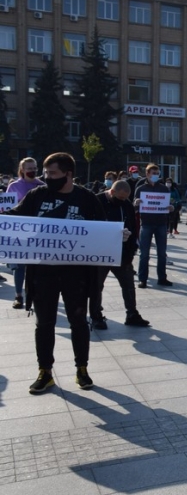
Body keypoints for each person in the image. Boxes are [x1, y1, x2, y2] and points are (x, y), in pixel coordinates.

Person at [5, 153, 108, 394]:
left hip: (76, 276)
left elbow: (102, 229)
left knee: (79, 323)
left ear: (68, 174)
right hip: (42, 274)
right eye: (45, 173)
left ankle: (82, 369)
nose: (45, 177)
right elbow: (16, 217)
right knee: (44, 324)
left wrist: (117, 237)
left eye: (52, 173)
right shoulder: (37, 195)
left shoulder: (86, 198)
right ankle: (45, 372)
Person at [91, 180, 150, 328]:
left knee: (128, 284)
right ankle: (96, 315)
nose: (122, 201)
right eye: (120, 198)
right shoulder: (96, 201)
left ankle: (132, 314)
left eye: (125, 198)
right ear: (112, 192)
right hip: (100, 252)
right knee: (97, 286)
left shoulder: (127, 205)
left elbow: (132, 226)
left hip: (121, 253)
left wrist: (131, 248)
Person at [6, 157, 44, 310]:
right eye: (29, 168)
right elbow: (7, 208)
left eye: (34, 168)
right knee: (20, 266)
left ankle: (34, 295)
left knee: (36, 266)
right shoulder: (14, 187)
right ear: (22, 170)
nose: (32, 171)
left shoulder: (42, 186)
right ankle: (18, 296)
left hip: (38, 233)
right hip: (19, 233)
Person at [133, 164, 175, 288]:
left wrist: (172, 207)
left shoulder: (163, 189)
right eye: (153, 173)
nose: (155, 175)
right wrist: (136, 203)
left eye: (157, 173)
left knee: (162, 253)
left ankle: (162, 278)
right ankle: (143, 279)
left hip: (161, 224)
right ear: (147, 174)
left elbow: (170, 204)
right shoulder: (140, 188)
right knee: (144, 254)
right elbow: (134, 205)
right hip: (146, 223)